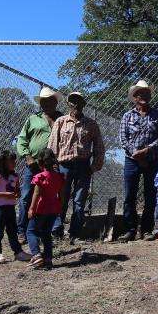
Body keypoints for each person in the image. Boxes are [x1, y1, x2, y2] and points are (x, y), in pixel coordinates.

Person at [47, 91, 105, 243]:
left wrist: (94, 167)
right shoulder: (60, 122)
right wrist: (53, 166)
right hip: (63, 166)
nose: (76, 104)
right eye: (73, 101)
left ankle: (75, 233)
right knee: (61, 199)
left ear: (84, 104)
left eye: (79, 101)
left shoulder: (91, 124)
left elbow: (99, 147)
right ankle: (56, 231)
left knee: (79, 201)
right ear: (68, 104)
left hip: (83, 166)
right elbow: (52, 146)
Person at [117, 80, 158, 241]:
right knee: (129, 196)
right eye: (141, 94)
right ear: (135, 97)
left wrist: (146, 151)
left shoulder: (157, 115)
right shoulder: (127, 116)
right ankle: (130, 229)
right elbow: (123, 138)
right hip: (131, 160)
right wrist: (135, 153)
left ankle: (146, 229)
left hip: (151, 160)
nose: (144, 96)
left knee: (150, 195)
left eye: (147, 93)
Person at [15, 86, 61, 243]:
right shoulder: (32, 119)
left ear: (55, 102)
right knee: (27, 195)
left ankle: (52, 229)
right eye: (43, 102)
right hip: (33, 164)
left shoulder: (62, 119)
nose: (46, 104)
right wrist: (27, 157)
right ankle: (22, 230)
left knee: (53, 196)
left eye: (49, 101)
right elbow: (21, 140)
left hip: (54, 166)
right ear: (40, 104)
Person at [0, 150, 30, 264]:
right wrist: (5, 194)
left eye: (14, 161)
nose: (14, 163)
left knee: (12, 232)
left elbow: (18, 192)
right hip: (0, 208)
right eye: (11, 161)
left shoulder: (15, 176)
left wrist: (17, 194)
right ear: (3, 162)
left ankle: (18, 252)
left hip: (11, 207)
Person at [26, 148, 64, 269]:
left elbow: (36, 194)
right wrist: (60, 206)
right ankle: (48, 259)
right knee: (46, 233)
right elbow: (61, 194)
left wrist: (31, 209)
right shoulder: (59, 177)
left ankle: (36, 255)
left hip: (41, 208)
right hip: (53, 208)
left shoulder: (40, 177)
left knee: (31, 231)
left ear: (40, 162)